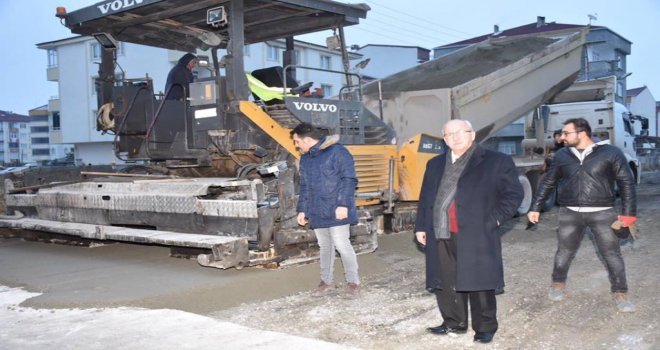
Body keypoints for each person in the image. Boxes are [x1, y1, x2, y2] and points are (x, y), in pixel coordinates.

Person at [414, 119, 523, 344]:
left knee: (479, 281)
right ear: (444, 140)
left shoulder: (496, 161)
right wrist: (421, 226)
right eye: (449, 134)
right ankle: (454, 322)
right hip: (440, 231)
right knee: (446, 280)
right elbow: (426, 199)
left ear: (472, 134)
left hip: (477, 231)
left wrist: (493, 221)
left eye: (460, 132)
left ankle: (484, 327)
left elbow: (513, 196)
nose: (455, 137)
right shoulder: (434, 164)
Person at [527, 118, 637, 313]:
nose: (561, 138)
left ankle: (620, 292)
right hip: (569, 213)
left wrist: (629, 214)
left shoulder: (611, 153)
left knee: (612, 254)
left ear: (582, 133)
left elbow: (626, 183)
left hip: (603, 212)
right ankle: (558, 283)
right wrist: (535, 207)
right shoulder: (562, 155)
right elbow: (548, 182)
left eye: (566, 133)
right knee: (564, 252)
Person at [291, 123, 361, 299]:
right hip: (316, 209)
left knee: (342, 245)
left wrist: (343, 204)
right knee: (325, 247)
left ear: (307, 139)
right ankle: (326, 282)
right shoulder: (306, 158)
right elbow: (305, 186)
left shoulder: (338, 151)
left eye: (297, 141)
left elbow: (349, 179)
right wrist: (302, 210)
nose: (296, 145)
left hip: (337, 208)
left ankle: (353, 283)